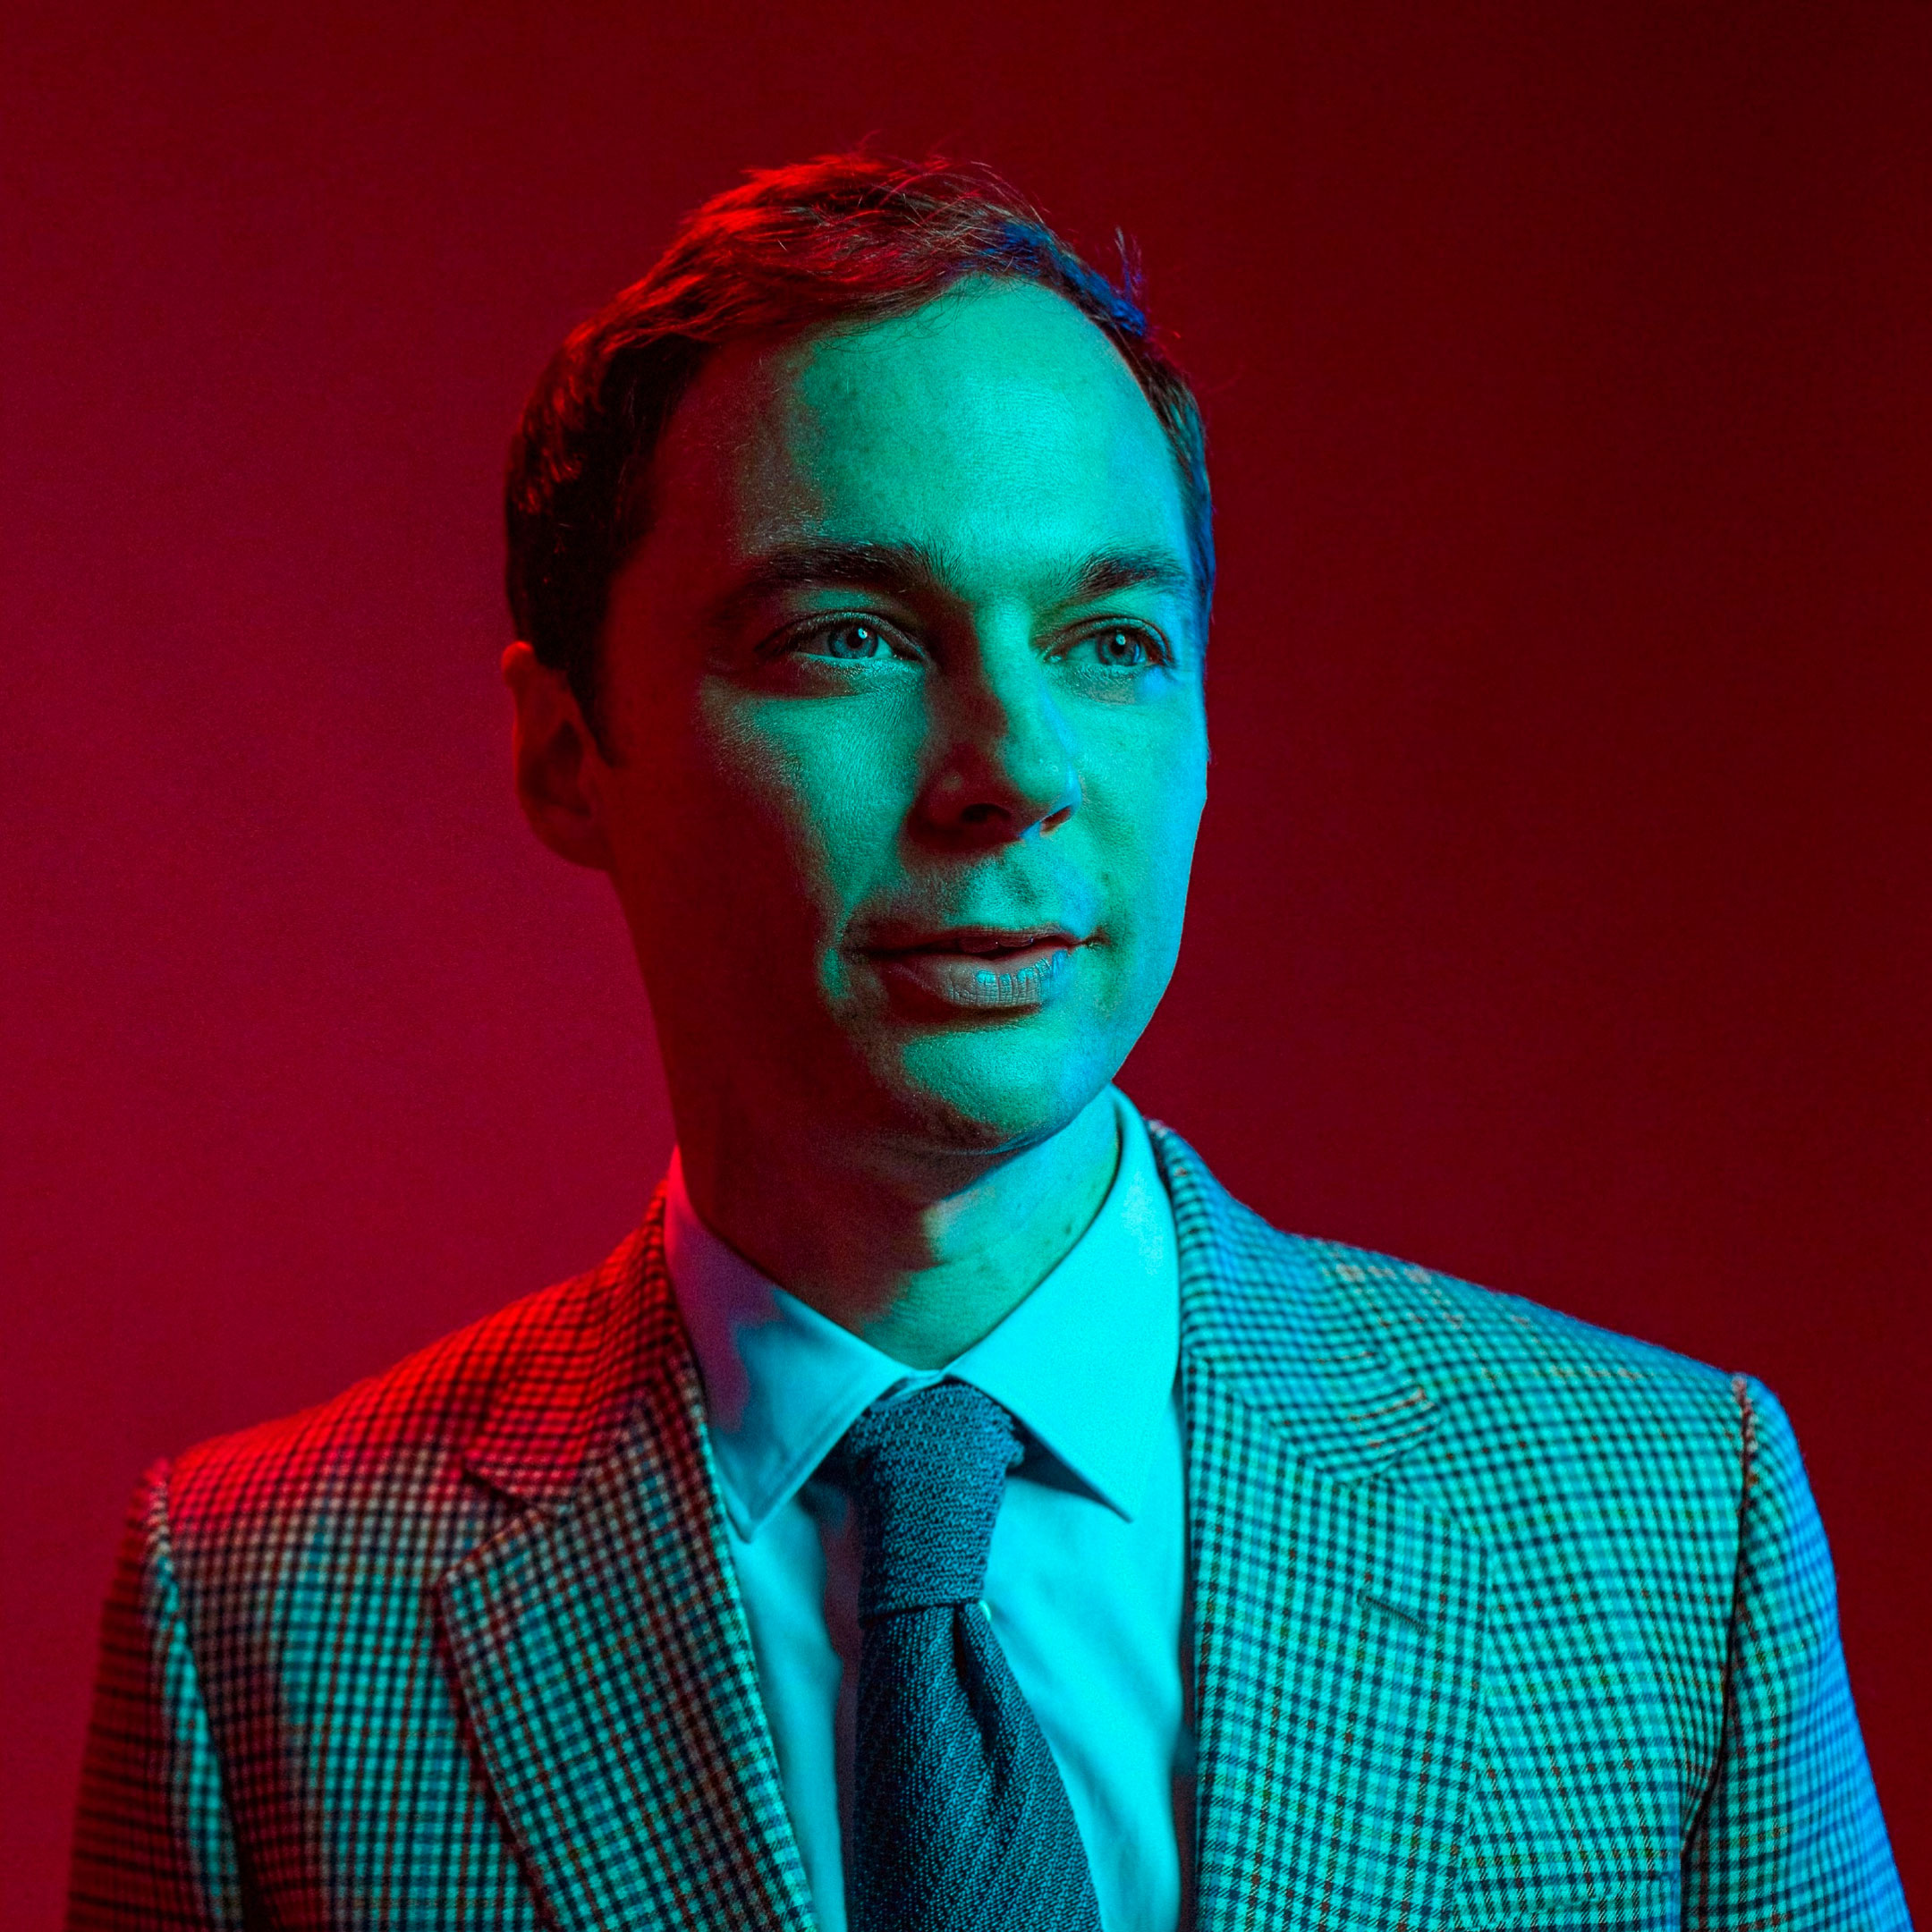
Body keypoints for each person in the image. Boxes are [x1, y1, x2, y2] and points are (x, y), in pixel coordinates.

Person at [67, 152, 1907, 1932]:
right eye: (849, 636)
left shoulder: (1672, 1521)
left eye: (1111, 642)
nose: (1015, 770)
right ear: (566, 752)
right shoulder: (264, 1613)